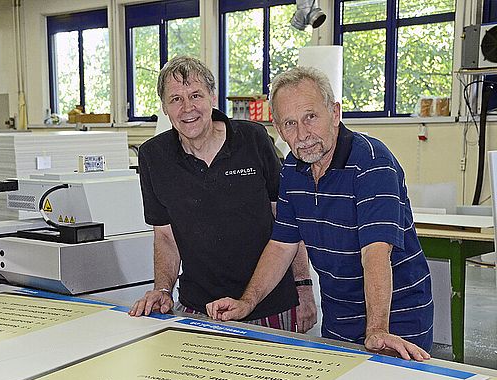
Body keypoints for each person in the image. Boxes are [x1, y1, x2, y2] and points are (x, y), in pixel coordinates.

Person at [206, 66, 434, 361]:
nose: (303, 134)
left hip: (396, 317)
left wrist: (377, 328)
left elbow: (375, 253)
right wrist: (247, 302)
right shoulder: (292, 168)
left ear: (335, 113)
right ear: (277, 128)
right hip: (339, 315)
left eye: (310, 117)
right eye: (290, 123)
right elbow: (281, 245)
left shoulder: (372, 163)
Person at [128, 55, 317, 332]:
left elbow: (287, 222)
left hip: (271, 305)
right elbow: (166, 237)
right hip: (198, 308)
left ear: (212, 98)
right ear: (165, 109)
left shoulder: (253, 140)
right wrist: (163, 290)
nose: (187, 108)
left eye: (195, 95)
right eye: (176, 99)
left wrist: (303, 286)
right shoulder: (153, 157)